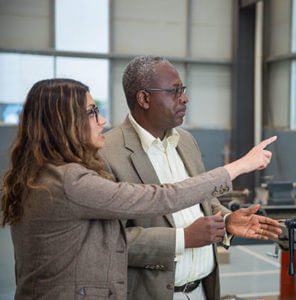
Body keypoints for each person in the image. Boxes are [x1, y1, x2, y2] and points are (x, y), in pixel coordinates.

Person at [0, 78, 276, 300]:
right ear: (63, 122)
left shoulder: (45, 174)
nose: (102, 121)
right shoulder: (70, 180)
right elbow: (162, 198)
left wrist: (226, 221)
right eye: (92, 112)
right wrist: (237, 167)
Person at [99, 56, 282, 300]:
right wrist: (181, 239)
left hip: (202, 291)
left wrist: (226, 221)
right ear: (144, 98)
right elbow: (107, 243)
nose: (184, 98)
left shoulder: (185, 141)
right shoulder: (107, 154)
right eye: (174, 92)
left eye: (182, 90)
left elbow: (203, 201)